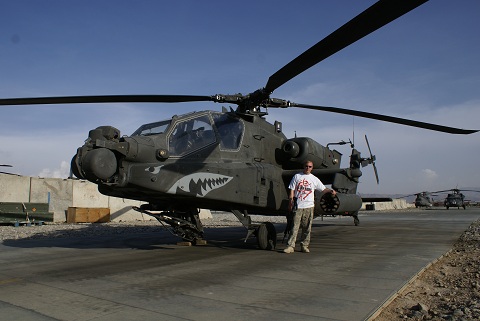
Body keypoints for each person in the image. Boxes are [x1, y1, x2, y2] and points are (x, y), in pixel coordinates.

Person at [283, 160, 336, 254]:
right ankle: (290, 246)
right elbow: (291, 189)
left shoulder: (314, 179)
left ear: (312, 168)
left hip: (309, 206)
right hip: (298, 205)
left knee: (307, 228)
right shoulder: (297, 176)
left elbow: (323, 189)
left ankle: (304, 245)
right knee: (294, 227)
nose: (308, 168)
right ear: (304, 166)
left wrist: (331, 191)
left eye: (310, 167)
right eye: (306, 166)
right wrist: (290, 201)